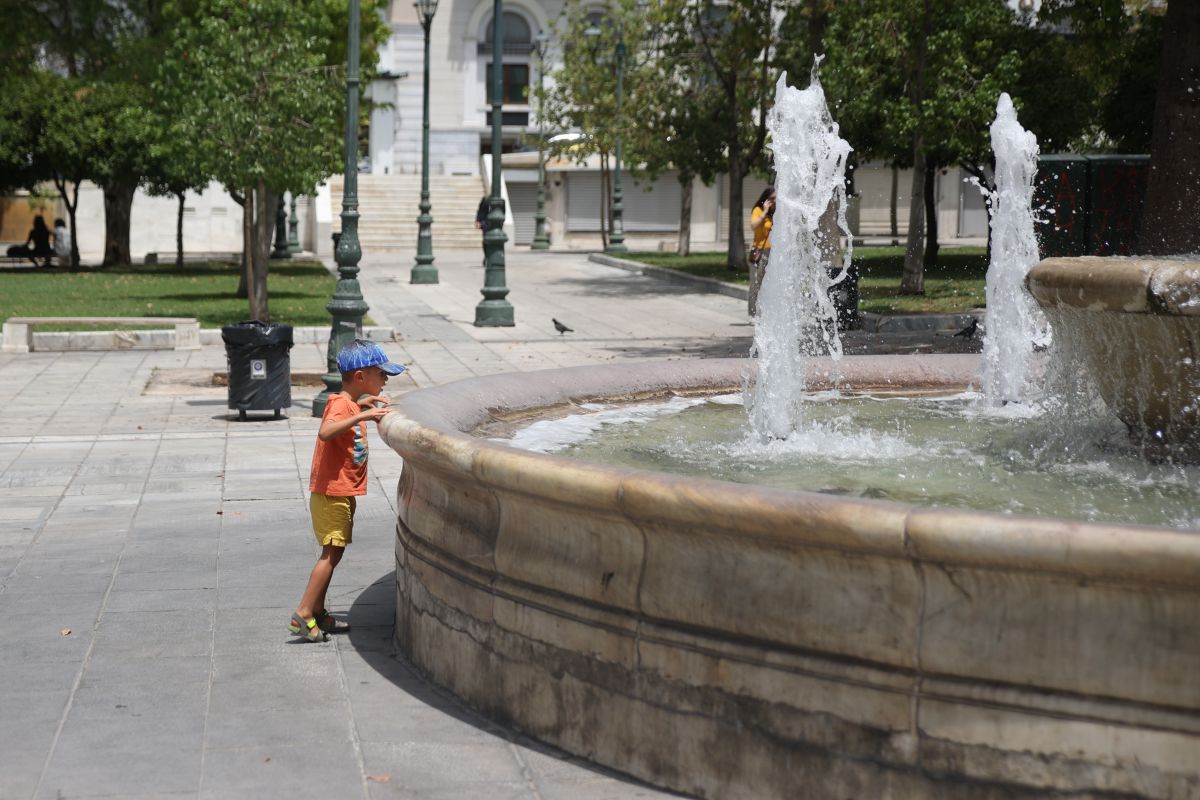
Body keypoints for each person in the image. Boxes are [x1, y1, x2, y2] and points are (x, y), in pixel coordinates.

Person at [289, 339, 404, 642]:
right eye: (382, 373)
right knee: (329, 555)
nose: (386, 379)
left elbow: (344, 413)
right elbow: (326, 431)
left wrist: (360, 405)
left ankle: (319, 613)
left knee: (334, 553)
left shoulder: (348, 402)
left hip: (340, 492)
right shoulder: (340, 404)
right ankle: (303, 611)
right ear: (360, 377)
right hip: (331, 494)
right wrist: (361, 415)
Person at [748, 186, 776, 316]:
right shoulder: (758, 210)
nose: (774, 202)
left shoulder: (777, 213)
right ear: (765, 200)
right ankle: (752, 314)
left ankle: (767, 313)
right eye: (771, 199)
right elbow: (753, 226)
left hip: (774, 253)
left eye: (776, 199)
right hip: (760, 251)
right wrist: (764, 212)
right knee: (755, 284)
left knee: (770, 284)